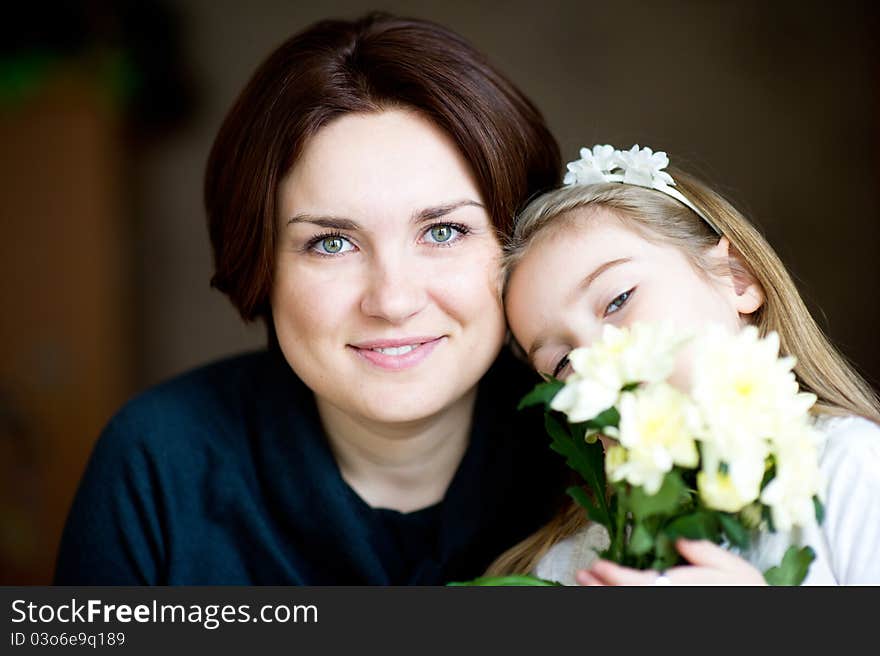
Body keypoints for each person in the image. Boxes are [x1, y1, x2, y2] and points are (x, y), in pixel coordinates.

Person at [53, 12, 568, 585]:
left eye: (442, 232)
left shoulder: (605, 453)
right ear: (259, 262)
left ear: (520, 244)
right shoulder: (157, 461)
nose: (392, 301)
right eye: (331, 243)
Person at [492, 144, 880, 585]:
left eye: (618, 300)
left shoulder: (853, 470)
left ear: (736, 278)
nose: (598, 366)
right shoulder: (571, 568)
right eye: (562, 363)